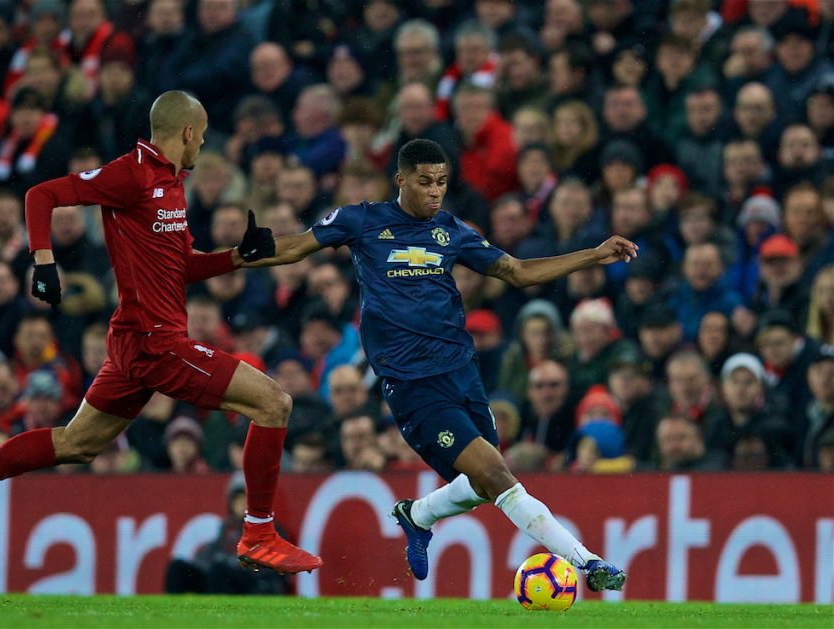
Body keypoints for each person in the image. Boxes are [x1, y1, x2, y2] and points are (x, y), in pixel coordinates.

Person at [0, 90, 323, 575]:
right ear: (188, 132)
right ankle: (258, 533)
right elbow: (41, 195)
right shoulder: (130, 173)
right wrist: (43, 261)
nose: (204, 144)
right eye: (203, 135)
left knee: (76, 444)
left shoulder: (173, 183)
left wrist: (236, 256)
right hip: (156, 344)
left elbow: (182, 266)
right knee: (274, 403)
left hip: (134, 340)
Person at [245, 139, 631, 591]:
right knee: (495, 474)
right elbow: (297, 248)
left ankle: (417, 514)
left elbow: (517, 271)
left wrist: (594, 253)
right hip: (412, 383)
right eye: (425, 182)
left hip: (461, 372)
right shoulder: (362, 221)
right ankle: (587, 563)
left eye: (442, 182)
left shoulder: (451, 231)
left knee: (485, 481)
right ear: (401, 180)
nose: (435, 192)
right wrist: (254, 250)